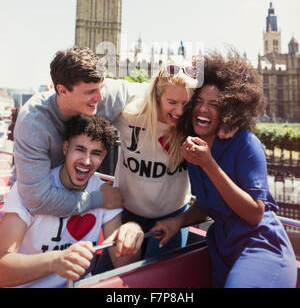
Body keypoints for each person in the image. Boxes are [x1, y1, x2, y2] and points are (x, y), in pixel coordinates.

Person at [151, 52, 298, 288]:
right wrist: (177, 222)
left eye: (214, 104)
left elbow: (254, 214)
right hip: (223, 250)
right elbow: (209, 202)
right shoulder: (194, 145)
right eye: (198, 101)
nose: (202, 110)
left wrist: (209, 164)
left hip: (261, 248)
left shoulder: (245, 144)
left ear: (230, 109)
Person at [99, 61, 235, 265]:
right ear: (157, 96)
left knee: (159, 280)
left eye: (186, 104)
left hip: (171, 220)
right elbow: (92, 93)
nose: (179, 111)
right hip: (127, 215)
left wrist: (232, 120)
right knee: (105, 279)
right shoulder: (130, 115)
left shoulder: (193, 126)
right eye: (172, 102)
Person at [0, 115, 144, 288]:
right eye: (80, 149)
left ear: (104, 156)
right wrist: (54, 261)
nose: (86, 161)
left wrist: (130, 233)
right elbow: (2, 269)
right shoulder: (30, 188)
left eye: (96, 153)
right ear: (65, 147)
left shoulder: (103, 191)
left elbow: (124, 264)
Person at [13, 46, 146, 217]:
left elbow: (156, 91)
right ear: (62, 90)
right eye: (90, 92)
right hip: (34, 214)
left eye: (101, 87)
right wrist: (98, 199)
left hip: (77, 200)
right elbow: (38, 200)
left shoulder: (101, 95)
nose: (100, 98)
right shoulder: (34, 121)